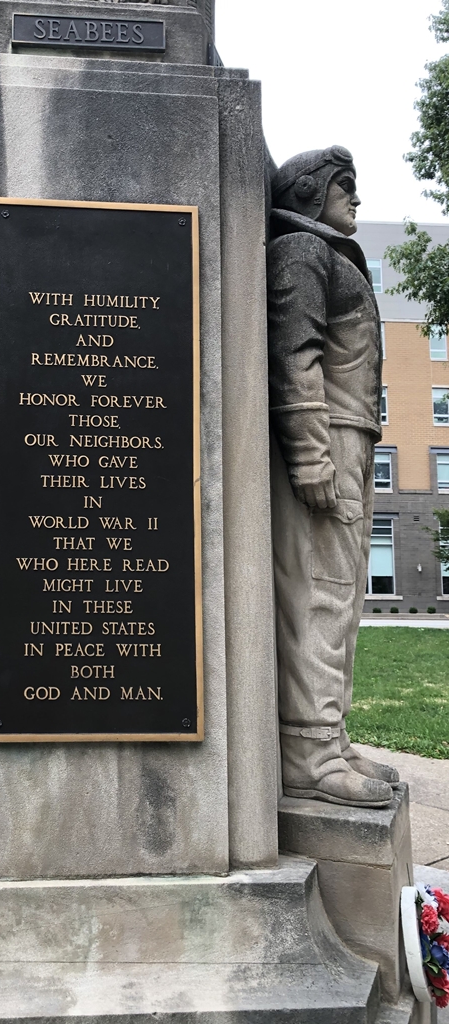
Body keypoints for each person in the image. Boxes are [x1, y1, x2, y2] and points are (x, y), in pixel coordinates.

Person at [268, 145, 398, 807]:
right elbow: (296, 355)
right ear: (310, 192)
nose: (355, 197)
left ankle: (332, 735)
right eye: (344, 185)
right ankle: (309, 752)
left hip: (352, 438)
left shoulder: (329, 252)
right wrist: (311, 453)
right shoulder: (301, 251)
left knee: (342, 596)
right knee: (320, 588)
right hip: (329, 442)